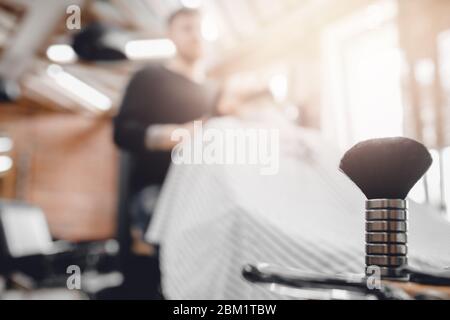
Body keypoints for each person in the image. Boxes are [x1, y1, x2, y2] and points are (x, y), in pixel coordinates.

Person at [112, 8, 219, 299]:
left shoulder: (213, 91)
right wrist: (183, 134)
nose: (195, 35)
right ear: (170, 35)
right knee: (159, 274)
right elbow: (123, 132)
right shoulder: (149, 77)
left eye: (199, 28)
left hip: (203, 195)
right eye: (186, 28)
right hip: (157, 193)